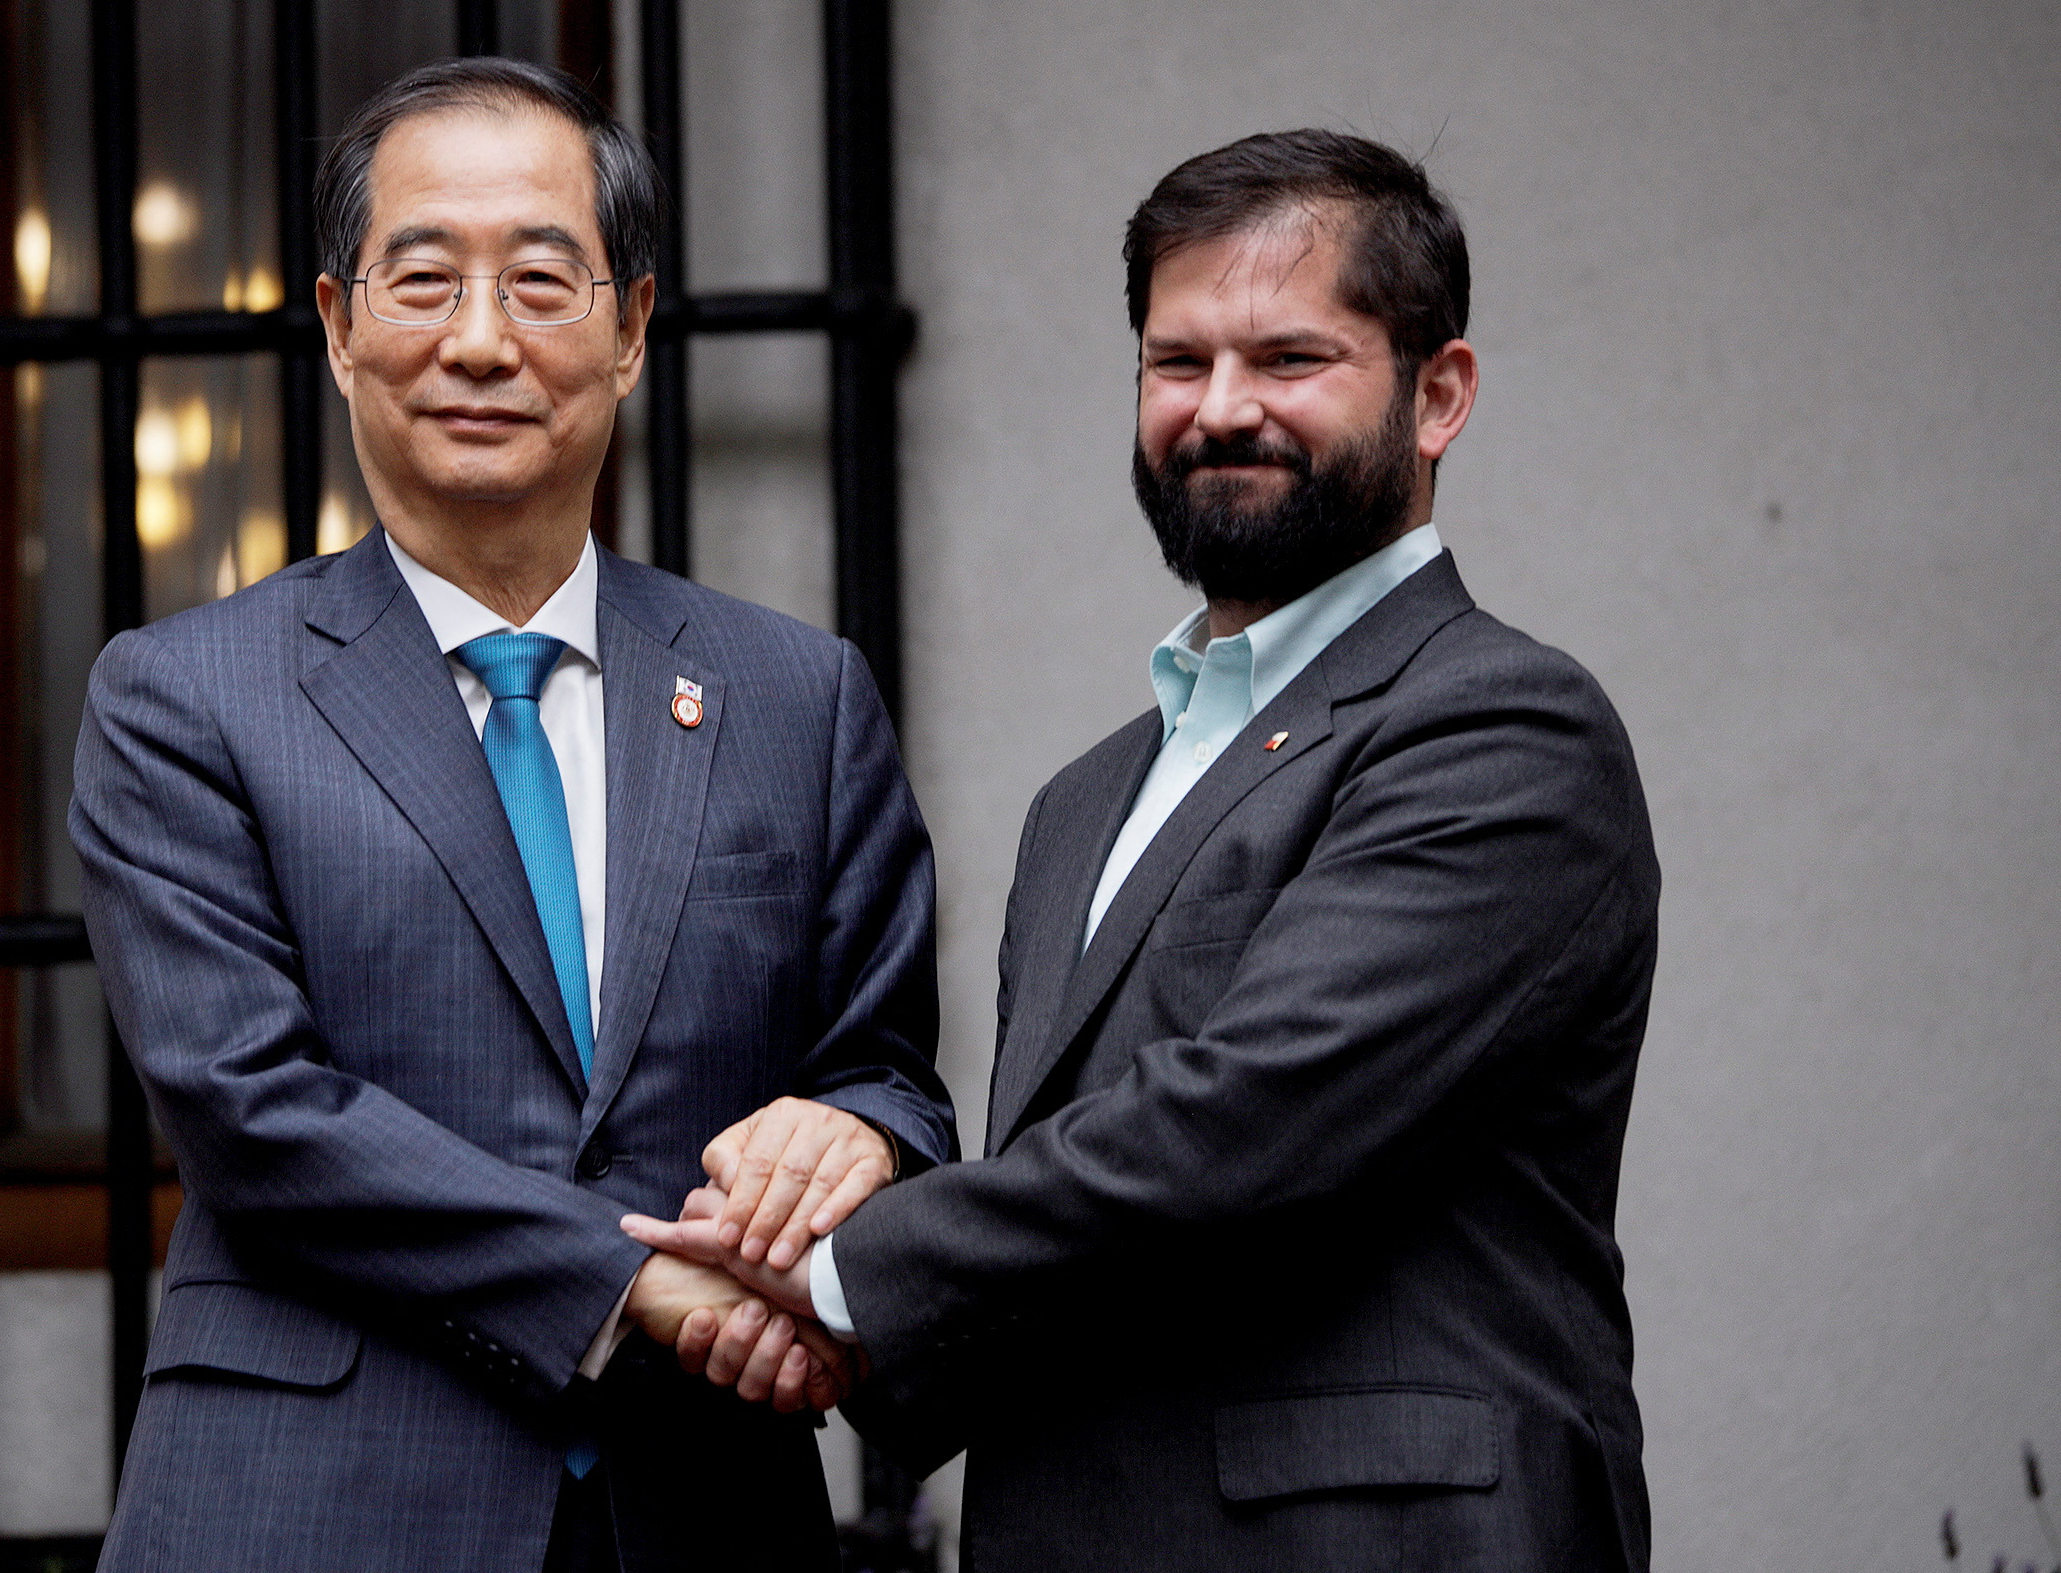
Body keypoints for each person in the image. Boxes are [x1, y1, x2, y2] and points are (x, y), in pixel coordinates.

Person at [628, 129, 1661, 1571]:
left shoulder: (1502, 727)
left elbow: (1248, 1122)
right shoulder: (1086, 801)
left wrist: (841, 1273)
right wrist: (833, 1328)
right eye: (1177, 362)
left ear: (1439, 394)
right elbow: (1079, 1221)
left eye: (1289, 358)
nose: (1221, 409)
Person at [71, 57, 955, 1573]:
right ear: (339, 325)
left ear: (632, 329)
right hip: (314, 1507)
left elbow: (886, 1070)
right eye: (423, 281)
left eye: (543, 283)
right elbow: (249, 1110)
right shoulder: (186, 697)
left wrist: (856, 1134)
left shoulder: (795, 696)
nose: (481, 341)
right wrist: (639, 1286)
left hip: (704, 1506)